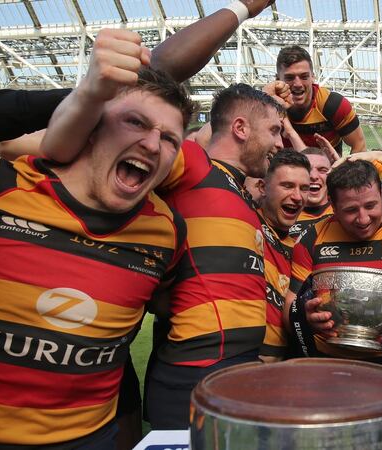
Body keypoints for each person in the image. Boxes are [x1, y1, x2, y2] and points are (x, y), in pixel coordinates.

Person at [0, 29, 192, 448]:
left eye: (169, 138)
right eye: (135, 122)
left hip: (87, 440)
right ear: (91, 129)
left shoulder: (167, 231)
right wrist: (84, 93)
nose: (152, 144)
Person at [140, 83, 284, 429]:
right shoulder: (195, 166)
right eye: (274, 131)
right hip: (196, 374)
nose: (280, 144)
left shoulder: (241, 194)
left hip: (236, 368)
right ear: (240, 128)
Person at [285, 156, 382, 376]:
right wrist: (306, 317)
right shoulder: (311, 238)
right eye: (351, 210)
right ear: (332, 205)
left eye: (371, 206)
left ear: (381, 194)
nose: (363, 219)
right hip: (324, 366)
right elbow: (290, 305)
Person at [256, 149, 311, 360]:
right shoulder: (245, 223)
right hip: (239, 360)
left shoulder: (300, 248)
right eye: (287, 186)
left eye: (305, 188)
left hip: (283, 364)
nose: (297, 197)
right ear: (262, 187)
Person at [264, 45, 366, 155]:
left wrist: (344, 172)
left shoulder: (333, 105)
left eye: (304, 77)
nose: (297, 84)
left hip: (328, 170)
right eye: (290, 78)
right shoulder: (268, 107)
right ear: (277, 79)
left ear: (313, 77)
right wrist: (265, 101)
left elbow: (359, 145)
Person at [289, 147, 334, 240]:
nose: (313, 176)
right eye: (307, 170)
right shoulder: (282, 214)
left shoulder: (344, 210)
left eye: (322, 170)